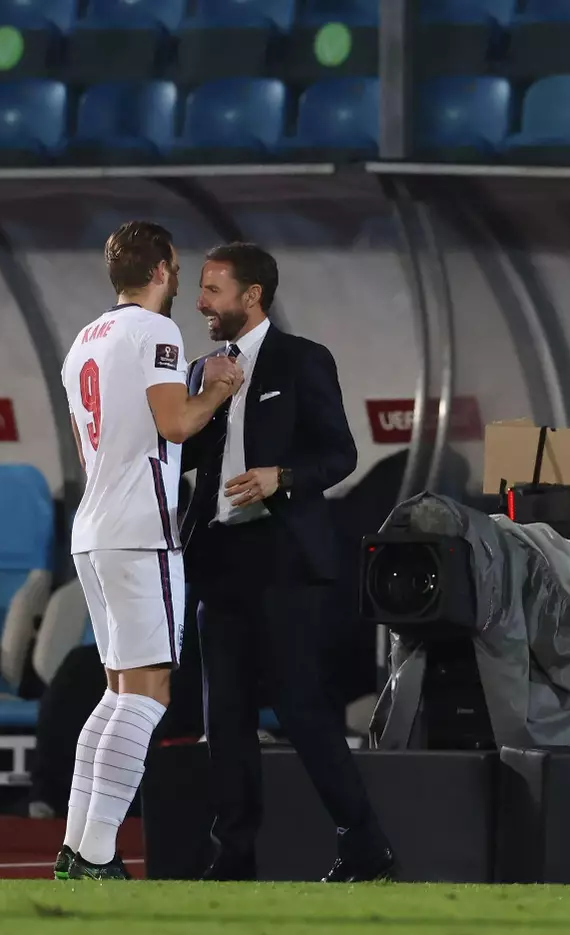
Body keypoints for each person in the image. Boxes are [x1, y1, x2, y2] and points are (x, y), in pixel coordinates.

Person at [181, 241, 394, 883]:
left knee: (302, 710)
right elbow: (188, 456)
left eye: (213, 290)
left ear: (252, 296)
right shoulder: (201, 369)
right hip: (219, 560)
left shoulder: (303, 360)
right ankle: (235, 856)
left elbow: (341, 454)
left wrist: (285, 477)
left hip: (285, 560)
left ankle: (364, 844)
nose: (200, 303)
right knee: (226, 718)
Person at [54, 221, 241, 880]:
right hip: (139, 528)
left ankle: (77, 847)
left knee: (115, 691)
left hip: (92, 527)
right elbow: (175, 423)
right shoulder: (156, 332)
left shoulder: (84, 338)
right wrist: (216, 387)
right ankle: (99, 853)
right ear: (164, 267)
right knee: (151, 692)